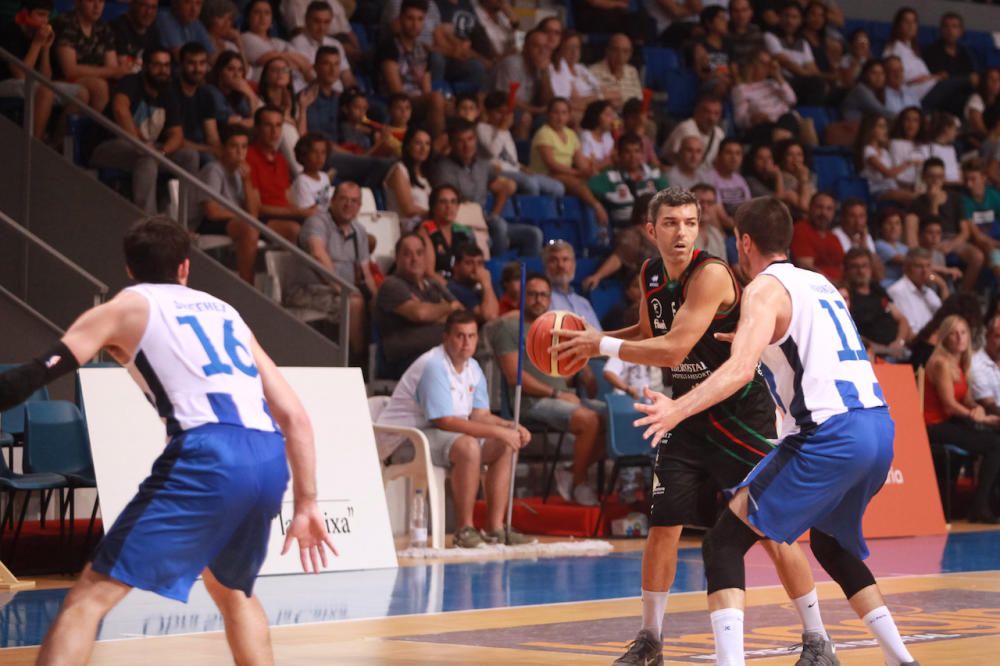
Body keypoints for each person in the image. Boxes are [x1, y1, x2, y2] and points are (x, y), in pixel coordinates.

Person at [0, 216, 336, 665]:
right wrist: (308, 501)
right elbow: (294, 415)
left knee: (89, 598)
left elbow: (38, 372)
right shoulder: (226, 312)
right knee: (233, 592)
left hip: (209, 453)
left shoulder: (126, 306)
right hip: (267, 454)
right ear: (184, 267)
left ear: (130, 270)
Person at [631, 195, 919, 666]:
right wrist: (752, 339)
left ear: (744, 243)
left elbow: (738, 372)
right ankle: (900, 659)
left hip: (828, 434)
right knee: (828, 543)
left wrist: (677, 408)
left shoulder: (763, 290)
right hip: (878, 426)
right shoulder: (822, 283)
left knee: (723, 542)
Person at [551, 188, 830, 666]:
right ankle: (649, 641)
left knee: (769, 532)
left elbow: (675, 348)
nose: (681, 232)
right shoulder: (651, 272)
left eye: (689, 222)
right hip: (683, 413)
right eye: (671, 223)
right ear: (651, 230)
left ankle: (817, 638)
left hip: (740, 413)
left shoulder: (713, 275)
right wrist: (588, 341)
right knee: (663, 526)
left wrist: (598, 346)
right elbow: (647, 334)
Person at [376, 310, 532, 547]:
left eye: (471, 336)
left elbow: (480, 415)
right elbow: (445, 421)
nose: (466, 343)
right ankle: (464, 530)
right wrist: (498, 431)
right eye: (460, 336)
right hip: (403, 441)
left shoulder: (474, 368)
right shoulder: (434, 366)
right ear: (445, 337)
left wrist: (509, 426)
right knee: (468, 446)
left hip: (438, 436)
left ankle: (495, 528)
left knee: (505, 444)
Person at [489, 273, 606, 506]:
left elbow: (568, 367)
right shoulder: (508, 326)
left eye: (543, 295)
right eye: (532, 294)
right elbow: (514, 376)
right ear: (521, 297)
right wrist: (557, 394)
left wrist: (583, 370)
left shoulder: (555, 326)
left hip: (564, 397)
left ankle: (571, 471)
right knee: (590, 420)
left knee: (612, 418)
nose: (538, 300)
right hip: (531, 402)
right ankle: (580, 483)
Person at [89, 48, 199, 215]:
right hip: (109, 146)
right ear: (146, 66)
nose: (163, 70)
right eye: (157, 65)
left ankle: (181, 218)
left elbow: (177, 135)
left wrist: (162, 151)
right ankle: (148, 220)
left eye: (167, 65)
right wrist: (142, 145)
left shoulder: (168, 92)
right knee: (147, 157)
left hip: (149, 150)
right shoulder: (131, 82)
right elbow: (120, 109)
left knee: (190, 157)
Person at [923, 314, 1000, 523]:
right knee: (994, 444)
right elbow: (949, 404)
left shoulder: (959, 362)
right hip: (935, 424)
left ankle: (990, 501)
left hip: (952, 421)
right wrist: (980, 419)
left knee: (995, 435)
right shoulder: (940, 362)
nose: (960, 338)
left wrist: (978, 410)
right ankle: (980, 506)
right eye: (954, 334)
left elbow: (965, 398)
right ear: (945, 338)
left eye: (963, 332)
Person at [290, 181, 376, 360]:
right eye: (343, 199)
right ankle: (358, 363)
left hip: (342, 291)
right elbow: (318, 254)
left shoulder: (359, 230)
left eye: (354, 201)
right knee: (355, 304)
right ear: (333, 201)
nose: (348, 205)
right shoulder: (317, 221)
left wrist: (377, 299)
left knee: (377, 305)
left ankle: (376, 362)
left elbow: (366, 273)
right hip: (307, 290)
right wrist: (344, 290)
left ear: (359, 206)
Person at [188, 125, 269, 284]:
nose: (240, 152)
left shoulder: (241, 173)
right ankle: (247, 285)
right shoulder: (213, 170)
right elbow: (212, 211)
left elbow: (254, 212)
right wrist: (244, 216)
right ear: (224, 148)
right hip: (205, 223)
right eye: (234, 146)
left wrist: (247, 182)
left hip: (232, 220)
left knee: (281, 228)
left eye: (244, 147)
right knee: (250, 228)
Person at [375, 233, 461, 378]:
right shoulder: (391, 285)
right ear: (397, 258)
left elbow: (461, 315)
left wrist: (433, 313)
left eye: (419, 253)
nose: (415, 259)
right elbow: (420, 314)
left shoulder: (433, 284)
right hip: (406, 358)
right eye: (407, 254)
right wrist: (448, 307)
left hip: (439, 353)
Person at [0, 0, 90, 140]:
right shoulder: (12, 31)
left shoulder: (43, 36)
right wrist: (36, 44)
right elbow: (20, 75)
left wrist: (46, 49)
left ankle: (56, 144)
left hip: (35, 85)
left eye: (47, 16)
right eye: (40, 15)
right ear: (25, 14)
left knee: (81, 93)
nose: (45, 21)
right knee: (45, 91)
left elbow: (45, 78)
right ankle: (35, 144)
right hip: (7, 83)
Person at [530, 97, 609, 226]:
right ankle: (597, 207)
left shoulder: (571, 134)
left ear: (569, 115)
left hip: (565, 175)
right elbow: (552, 165)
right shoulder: (544, 134)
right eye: (556, 113)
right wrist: (578, 173)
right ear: (548, 114)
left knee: (594, 180)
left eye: (564, 113)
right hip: (545, 174)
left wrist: (589, 170)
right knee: (574, 181)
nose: (560, 117)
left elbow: (581, 162)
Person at [376, 0, 446, 139]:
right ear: (400, 18)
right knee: (437, 98)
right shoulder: (389, 46)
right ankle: (437, 147)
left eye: (420, 19)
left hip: (418, 100)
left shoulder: (424, 50)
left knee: (455, 106)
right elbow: (396, 91)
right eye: (410, 18)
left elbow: (426, 90)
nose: (415, 25)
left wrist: (422, 84)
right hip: (398, 101)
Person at [477, 90, 565, 197]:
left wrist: (521, 167)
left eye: (506, 112)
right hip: (496, 172)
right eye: (499, 112)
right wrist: (503, 129)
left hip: (515, 171)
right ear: (488, 113)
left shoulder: (505, 131)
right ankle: (529, 213)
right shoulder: (481, 128)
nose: (504, 117)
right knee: (530, 184)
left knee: (557, 187)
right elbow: (493, 152)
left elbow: (509, 158)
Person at [53, 0, 129, 113]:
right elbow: (69, 70)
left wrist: (123, 69)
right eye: (91, 1)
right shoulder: (67, 23)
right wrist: (111, 71)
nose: (97, 6)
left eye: (101, 1)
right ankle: (92, 130)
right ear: (78, 2)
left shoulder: (103, 27)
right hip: (60, 80)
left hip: (92, 80)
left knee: (126, 88)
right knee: (100, 87)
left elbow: (112, 67)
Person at [843, 247, 912, 359]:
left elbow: (902, 319)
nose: (861, 271)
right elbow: (851, 334)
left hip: (896, 349)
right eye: (855, 267)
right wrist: (886, 350)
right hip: (871, 354)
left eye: (864, 266)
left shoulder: (877, 290)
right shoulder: (846, 296)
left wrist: (899, 342)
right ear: (846, 270)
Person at [588, 133, 669, 228]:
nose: (633, 156)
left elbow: (667, 200)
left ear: (642, 154)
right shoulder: (610, 176)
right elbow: (580, 186)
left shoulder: (654, 173)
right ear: (619, 154)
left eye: (636, 151)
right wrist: (596, 205)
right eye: (627, 152)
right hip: (625, 231)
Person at [490, 27, 550, 140]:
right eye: (536, 46)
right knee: (525, 118)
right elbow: (508, 100)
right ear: (525, 48)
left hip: (528, 111)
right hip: (501, 109)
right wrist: (538, 110)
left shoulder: (541, 67)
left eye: (545, 47)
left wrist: (545, 74)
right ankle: (519, 156)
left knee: (555, 117)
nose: (542, 51)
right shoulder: (512, 64)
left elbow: (547, 101)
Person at [170, 42, 223, 162]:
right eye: (191, 63)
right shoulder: (170, 92)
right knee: (206, 159)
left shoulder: (206, 95)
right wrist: (207, 149)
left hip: (200, 148)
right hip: (174, 148)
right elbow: (175, 139)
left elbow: (213, 137)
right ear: (181, 65)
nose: (197, 69)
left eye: (202, 63)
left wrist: (221, 154)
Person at [289, 1, 356, 94]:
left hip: (338, 97)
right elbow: (309, 78)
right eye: (317, 21)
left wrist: (354, 95)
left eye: (326, 22)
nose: (322, 27)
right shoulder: (296, 44)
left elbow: (347, 77)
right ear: (306, 20)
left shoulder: (335, 44)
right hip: (313, 96)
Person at [888, 247, 946, 347]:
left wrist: (943, 286)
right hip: (916, 346)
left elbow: (945, 318)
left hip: (934, 343)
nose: (925, 271)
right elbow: (910, 334)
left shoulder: (929, 292)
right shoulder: (898, 291)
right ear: (907, 268)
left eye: (928, 266)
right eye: (919, 266)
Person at [418, 184, 476, 283]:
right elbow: (428, 272)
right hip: (437, 286)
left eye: (453, 202)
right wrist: (450, 289)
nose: (449, 207)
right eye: (443, 202)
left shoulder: (464, 233)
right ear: (433, 207)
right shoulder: (426, 230)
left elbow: (474, 266)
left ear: (458, 207)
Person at [856, 113, 918, 206]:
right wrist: (908, 163)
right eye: (881, 127)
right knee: (914, 198)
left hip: (891, 188)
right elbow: (888, 174)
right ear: (871, 129)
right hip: (877, 190)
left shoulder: (884, 151)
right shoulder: (868, 150)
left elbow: (893, 175)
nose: (885, 130)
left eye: (885, 127)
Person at [384, 126, 433, 230]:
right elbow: (408, 209)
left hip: (427, 222)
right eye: (418, 143)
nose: (423, 148)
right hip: (406, 225)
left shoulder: (426, 174)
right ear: (408, 146)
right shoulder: (399, 170)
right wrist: (435, 213)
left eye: (427, 144)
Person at [545, 239, 601, 330]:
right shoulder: (543, 299)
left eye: (565, 259)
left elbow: (599, 335)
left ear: (574, 265)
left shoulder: (584, 303)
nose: (561, 265)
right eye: (554, 260)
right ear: (545, 266)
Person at [790, 191, 844, 283]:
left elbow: (842, 266)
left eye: (829, 209)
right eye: (819, 207)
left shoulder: (833, 237)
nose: (824, 213)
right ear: (810, 208)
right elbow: (806, 268)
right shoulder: (801, 230)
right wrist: (834, 285)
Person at [663, 94, 725, 167]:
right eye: (707, 112)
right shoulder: (686, 128)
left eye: (716, 114)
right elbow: (676, 159)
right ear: (697, 112)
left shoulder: (720, 134)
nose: (711, 118)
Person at [587, 33, 641, 113]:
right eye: (616, 50)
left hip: (629, 119)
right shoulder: (592, 72)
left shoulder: (632, 71)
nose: (620, 56)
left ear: (630, 54)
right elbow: (590, 104)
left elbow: (639, 100)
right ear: (607, 51)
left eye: (625, 52)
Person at [447, 242, 499, 323]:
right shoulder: (454, 288)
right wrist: (486, 283)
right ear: (456, 266)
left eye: (480, 263)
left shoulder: (481, 285)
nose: (476, 269)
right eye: (469, 263)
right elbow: (489, 316)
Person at [207, 51, 260, 129]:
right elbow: (236, 123)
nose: (236, 75)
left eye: (240, 70)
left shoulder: (236, 92)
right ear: (219, 71)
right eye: (230, 69)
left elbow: (255, 119)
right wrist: (245, 120)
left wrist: (251, 96)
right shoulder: (211, 92)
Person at [707, 138, 752, 215]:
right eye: (728, 153)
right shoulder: (709, 178)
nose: (734, 158)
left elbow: (749, 207)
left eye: (738, 153)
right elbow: (719, 214)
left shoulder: (740, 179)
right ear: (719, 155)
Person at [110, 0, 158, 69]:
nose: (149, 12)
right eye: (143, 6)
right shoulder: (117, 28)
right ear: (132, 5)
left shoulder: (153, 29)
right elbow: (123, 67)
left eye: (153, 7)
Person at [971, 314, 1000, 416]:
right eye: (998, 336)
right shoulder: (976, 365)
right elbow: (990, 407)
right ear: (987, 336)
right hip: (992, 423)